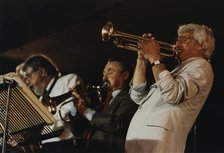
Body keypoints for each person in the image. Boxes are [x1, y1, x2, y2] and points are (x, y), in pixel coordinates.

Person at [125, 23, 215, 153]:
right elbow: (138, 96)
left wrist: (155, 58)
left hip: (159, 144)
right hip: (141, 140)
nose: (177, 43)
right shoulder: (177, 70)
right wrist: (141, 61)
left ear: (200, 45)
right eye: (177, 39)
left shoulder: (201, 66)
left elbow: (172, 94)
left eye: (183, 39)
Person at [71, 58, 138, 153]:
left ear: (125, 75)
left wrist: (85, 111)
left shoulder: (130, 98)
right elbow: (77, 130)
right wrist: (76, 109)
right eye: (104, 73)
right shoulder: (101, 104)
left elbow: (117, 124)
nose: (104, 78)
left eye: (110, 73)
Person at [21, 53, 84, 153]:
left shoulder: (68, 79)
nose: (28, 83)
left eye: (29, 77)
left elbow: (72, 111)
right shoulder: (41, 98)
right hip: (47, 148)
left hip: (67, 145)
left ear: (41, 72)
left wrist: (46, 122)